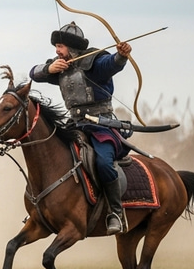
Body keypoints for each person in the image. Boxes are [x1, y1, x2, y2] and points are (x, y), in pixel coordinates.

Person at [29, 21, 132, 235]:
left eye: (61, 46)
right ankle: (44, 209)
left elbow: (112, 64)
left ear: (73, 48)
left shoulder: (94, 62)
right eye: (56, 46)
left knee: (104, 162)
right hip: (74, 126)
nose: (57, 51)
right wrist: (49, 68)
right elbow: (33, 73)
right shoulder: (60, 66)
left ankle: (115, 212)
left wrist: (121, 55)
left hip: (100, 126)